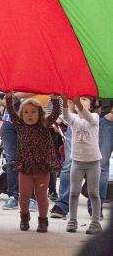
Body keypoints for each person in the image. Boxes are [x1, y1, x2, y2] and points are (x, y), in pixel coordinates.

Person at [5, 92, 61, 233]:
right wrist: (8, 98)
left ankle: (43, 220)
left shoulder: (44, 123)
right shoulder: (20, 125)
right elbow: (11, 112)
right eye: (26, 112)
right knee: (24, 196)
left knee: (42, 196)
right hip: (26, 169)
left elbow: (55, 112)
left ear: (40, 113)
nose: (29, 115)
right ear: (21, 115)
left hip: (42, 168)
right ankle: (24, 217)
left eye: (33, 112)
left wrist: (54, 99)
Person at [63, 95, 102, 234]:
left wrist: (77, 103)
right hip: (77, 162)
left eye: (85, 99)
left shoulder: (94, 118)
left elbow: (88, 117)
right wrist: (64, 101)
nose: (81, 101)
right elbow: (66, 116)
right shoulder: (74, 119)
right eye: (80, 99)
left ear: (91, 106)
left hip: (93, 162)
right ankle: (72, 220)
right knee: (74, 192)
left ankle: (96, 222)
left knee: (93, 193)